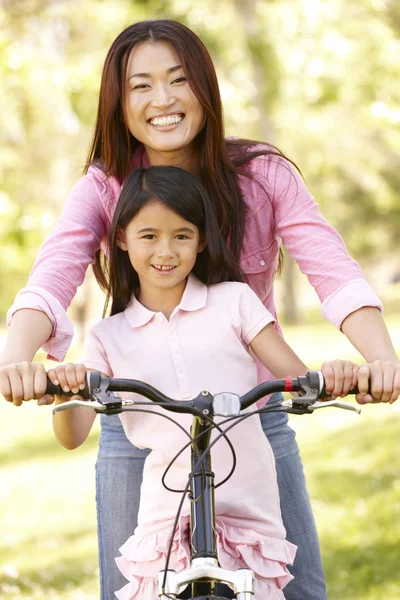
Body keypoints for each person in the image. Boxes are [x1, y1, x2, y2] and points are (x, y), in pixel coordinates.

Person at [0, 18, 399, 600]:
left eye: (178, 79)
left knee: (300, 589)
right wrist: (14, 360)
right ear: (120, 102)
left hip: (251, 416)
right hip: (140, 419)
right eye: (141, 85)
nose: (162, 100)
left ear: (204, 88)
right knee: (129, 589)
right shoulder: (106, 188)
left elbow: (330, 267)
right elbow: (53, 274)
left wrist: (381, 359)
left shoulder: (262, 175)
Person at [49, 165, 361, 600]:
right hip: (165, 521)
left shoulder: (234, 301)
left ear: (202, 240)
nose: (166, 250)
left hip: (250, 514)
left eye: (182, 235)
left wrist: (332, 376)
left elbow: (295, 379)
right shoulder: (107, 337)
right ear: (121, 238)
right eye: (149, 235)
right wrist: (70, 388)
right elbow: (72, 435)